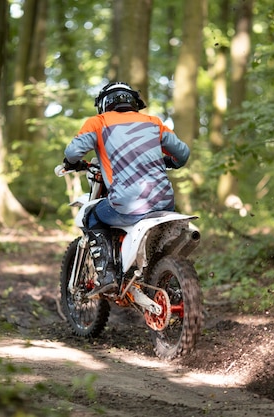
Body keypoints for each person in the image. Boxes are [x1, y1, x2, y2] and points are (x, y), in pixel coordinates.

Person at [63, 81, 190, 295]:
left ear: (104, 104)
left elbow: (73, 153)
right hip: (165, 201)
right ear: (134, 101)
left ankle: (107, 275)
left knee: (92, 216)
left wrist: (71, 163)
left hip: (127, 203)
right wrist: (169, 162)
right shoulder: (154, 122)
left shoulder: (98, 122)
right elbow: (183, 154)